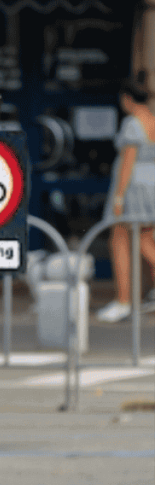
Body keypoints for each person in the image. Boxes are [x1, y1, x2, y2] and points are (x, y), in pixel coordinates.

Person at [95, 72, 155, 323]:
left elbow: (127, 162)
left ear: (127, 98)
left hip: (132, 188)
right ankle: (127, 300)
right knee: (145, 239)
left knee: (119, 239)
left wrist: (118, 197)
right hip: (150, 184)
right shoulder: (151, 120)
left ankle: (123, 301)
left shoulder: (132, 123)